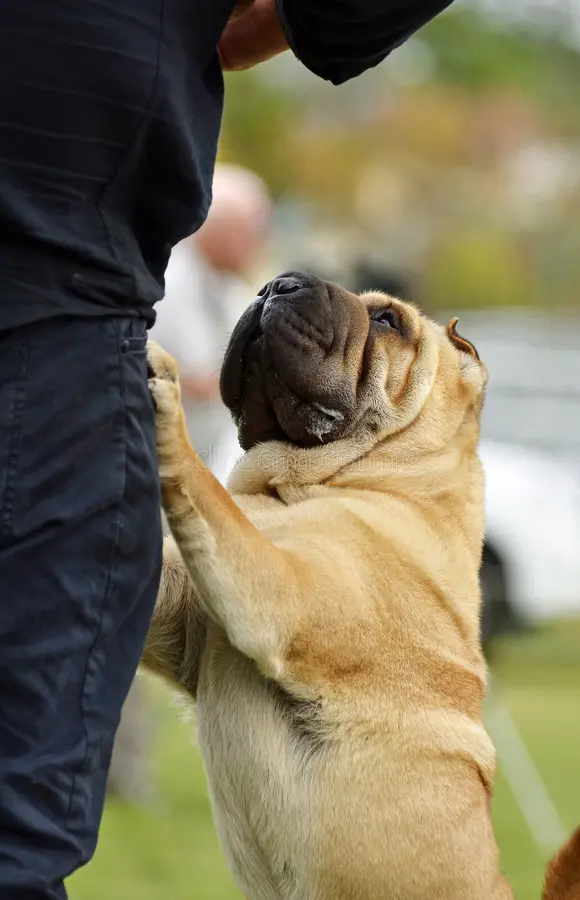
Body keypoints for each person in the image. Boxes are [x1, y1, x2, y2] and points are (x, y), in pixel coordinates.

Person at [0, 0, 454, 897]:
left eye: (387, 323)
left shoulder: (393, 553)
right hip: (61, 275)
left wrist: (167, 465)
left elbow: (256, 620)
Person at [151, 163, 273, 484]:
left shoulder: (228, 289)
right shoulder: (170, 283)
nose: (260, 243)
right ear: (223, 229)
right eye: (254, 230)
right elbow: (198, 381)